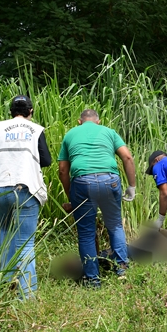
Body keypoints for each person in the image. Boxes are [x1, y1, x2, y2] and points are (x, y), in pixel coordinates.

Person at [0, 95, 52, 299]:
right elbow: (46, 160)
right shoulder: (36, 129)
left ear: (11, 112)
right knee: (26, 242)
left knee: (4, 233)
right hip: (25, 188)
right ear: (31, 112)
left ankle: (4, 285)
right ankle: (27, 295)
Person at [58, 109, 137, 287]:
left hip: (82, 182)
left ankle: (93, 279)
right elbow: (127, 157)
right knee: (115, 225)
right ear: (98, 121)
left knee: (86, 233)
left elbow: (63, 170)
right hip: (110, 180)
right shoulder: (109, 132)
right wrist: (131, 186)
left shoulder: (70, 134)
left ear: (80, 122)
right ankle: (122, 270)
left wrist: (72, 195)